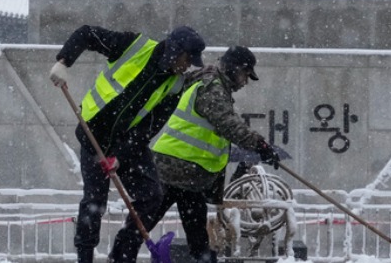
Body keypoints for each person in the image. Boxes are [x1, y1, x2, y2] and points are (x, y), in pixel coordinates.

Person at [107, 45, 282, 263]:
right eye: (245, 74)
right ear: (232, 69)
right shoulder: (212, 88)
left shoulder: (209, 83)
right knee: (147, 224)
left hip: (188, 175)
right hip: (175, 170)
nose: (245, 81)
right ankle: (120, 258)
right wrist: (261, 146)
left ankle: (121, 257)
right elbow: (228, 124)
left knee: (185, 232)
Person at [49, 25, 208, 263]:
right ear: (175, 50)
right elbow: (86, 33)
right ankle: (85, 257)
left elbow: (149, 128)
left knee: (152, 196)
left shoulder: (175, 85)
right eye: (187, 59)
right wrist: (63, 61)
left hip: (128, 142)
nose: (187, 66)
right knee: (94, 202)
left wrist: (120, 157)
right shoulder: (135, 46)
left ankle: (122, 255)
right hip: (94, 134)